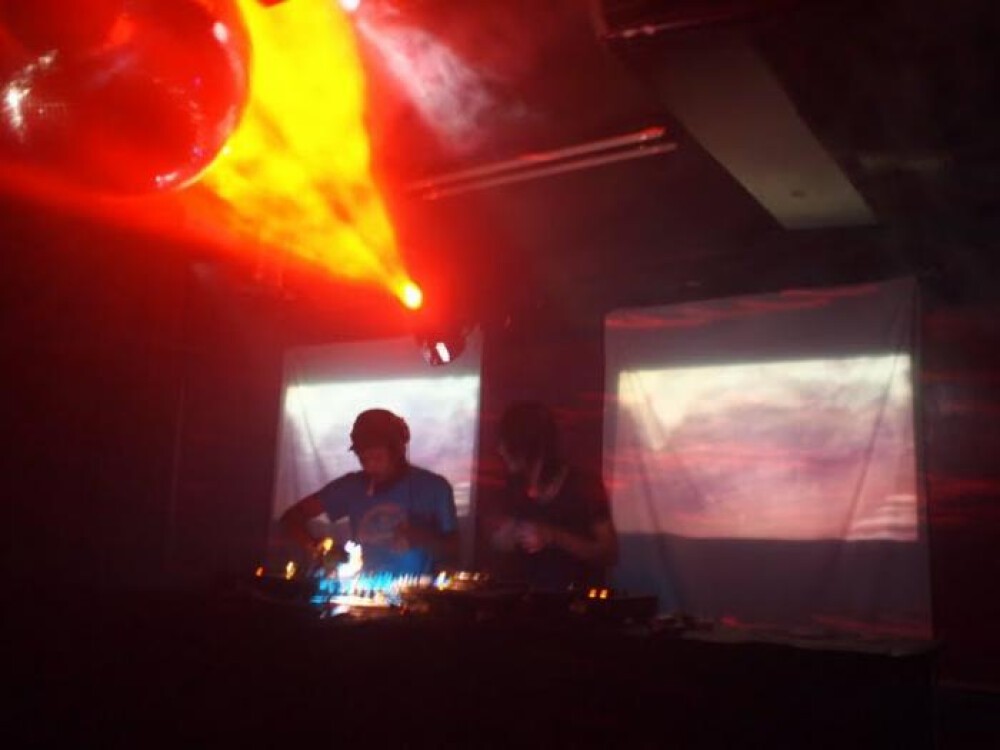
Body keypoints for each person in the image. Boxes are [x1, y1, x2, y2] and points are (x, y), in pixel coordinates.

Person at [280, 408, 459, 575]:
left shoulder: (435, 488)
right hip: (364, 590)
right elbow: (291, 518)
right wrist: (317, 547)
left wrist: (422, 538)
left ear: (399, 451)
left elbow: (455, 549)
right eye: (363, 459)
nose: (370, 467)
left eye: (377, 458)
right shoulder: (351, 487)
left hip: (418, 593)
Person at [488, 401, 618, 590]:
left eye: (505, 442)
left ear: (525, 445)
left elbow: (609, 553)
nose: (499, 450)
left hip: (576, 601)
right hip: (526, 600)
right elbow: (500, 542)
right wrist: (503, 539)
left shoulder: (584, 485)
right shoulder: (513, 486)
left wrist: (553, 537)